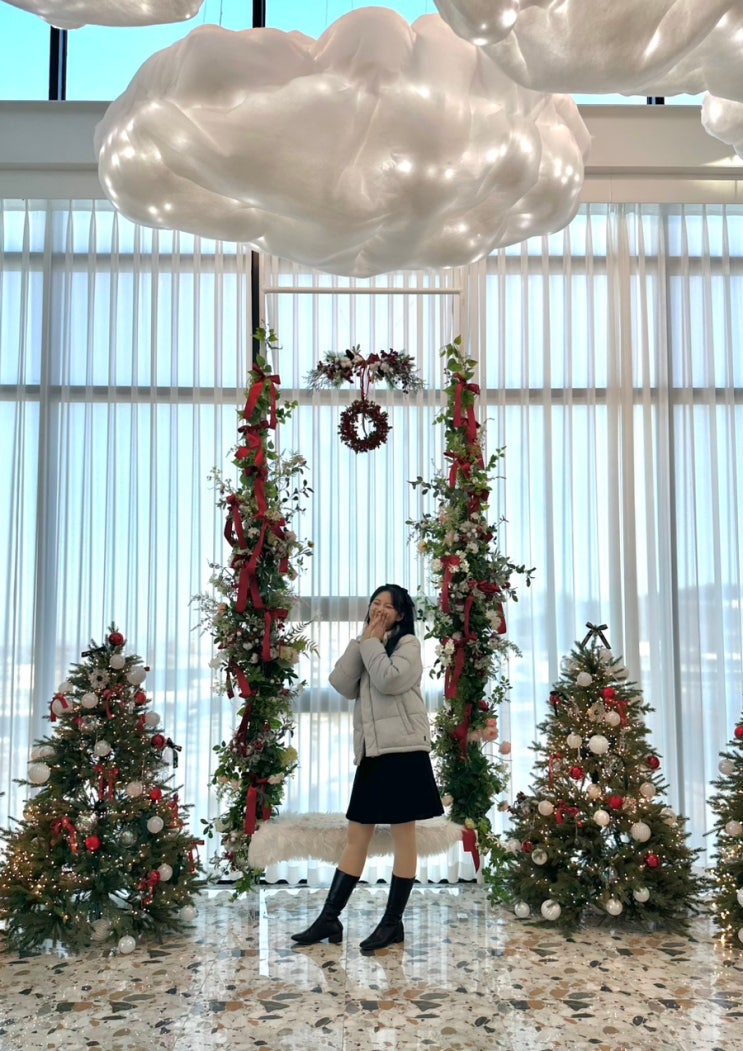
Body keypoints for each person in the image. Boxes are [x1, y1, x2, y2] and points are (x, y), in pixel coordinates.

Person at [291, 583, 443, 952]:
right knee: (357, 835)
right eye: (375, 603)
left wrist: (372, 643)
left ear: (401, 614)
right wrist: (362, 641)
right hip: (373, 753)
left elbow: (389, 680)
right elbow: (341, 684)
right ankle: (330, 917)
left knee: (404, 837)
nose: (379, 609)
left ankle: (392, 923)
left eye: (387, 606)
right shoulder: (367, 643)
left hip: (404, 752)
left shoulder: (409, 645)